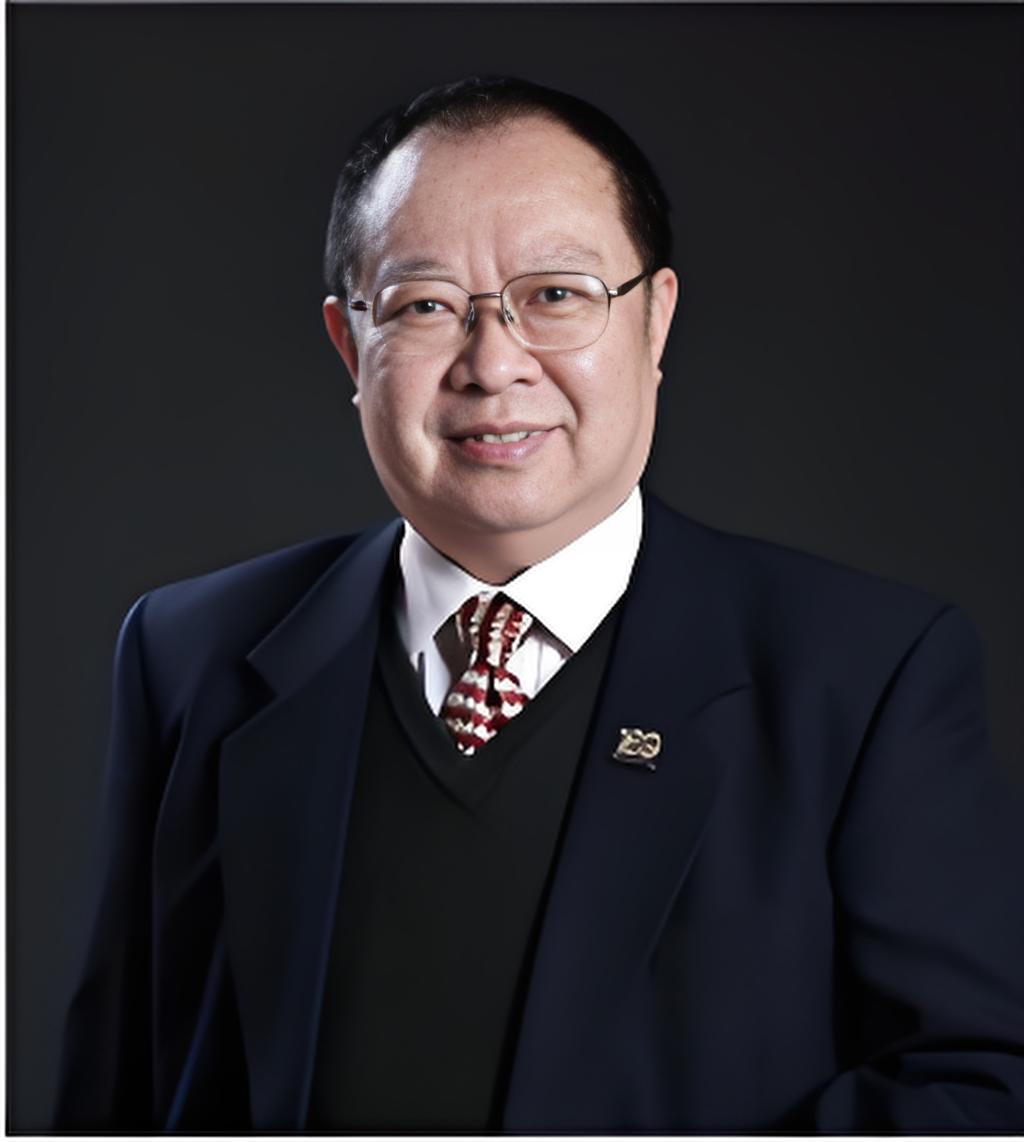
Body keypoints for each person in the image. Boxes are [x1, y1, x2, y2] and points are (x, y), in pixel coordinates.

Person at [55, 76, 1024, 1133]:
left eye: (556, 294)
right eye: (426, 306)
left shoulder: (863, 673)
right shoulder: (194, 652)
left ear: (654, 319)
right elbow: (112, 1092)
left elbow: (976, 1085)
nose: (492, 364)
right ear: (349, 345)